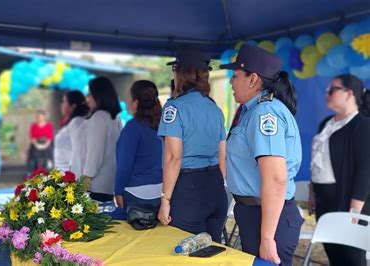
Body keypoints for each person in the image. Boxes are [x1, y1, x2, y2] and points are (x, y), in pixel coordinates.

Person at [220, 44, 303, 265]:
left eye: (235, 76)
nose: (230, 82)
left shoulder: (265, 113)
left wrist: (267, 238)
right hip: (255, 213)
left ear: (253, 79)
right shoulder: (252, 111)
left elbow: (276, 178)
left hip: (268, 218)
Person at [157, 47, 228, 243]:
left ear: (181, 73)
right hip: (215, 187)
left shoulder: (174, 107)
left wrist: (165, 199)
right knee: (211, 254)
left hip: (188, 190)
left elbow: (174, 157)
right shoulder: (214, 108)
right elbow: (223, 155)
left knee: (186, 256)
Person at [308, 74, 370, 266]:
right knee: (333, 254)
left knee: (351, 257)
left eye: (333, 89)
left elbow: (365, 169)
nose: (328, 93)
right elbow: (318, 162)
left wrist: (354, 211)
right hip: (324, 200)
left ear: (349, 94)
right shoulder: (326, 122)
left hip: (348, 202)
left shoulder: (363, 125)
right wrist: (312, 193)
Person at [115, 80, 163, 209]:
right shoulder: (164, 125)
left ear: (136, 102)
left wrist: (118, 191)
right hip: (163, 192)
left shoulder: (133, 127)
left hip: (137, 193)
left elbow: (124, 164)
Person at [74, 77, 122, 202]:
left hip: (94, 185)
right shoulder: (115, 117)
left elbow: (95, 152)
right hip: (108, 183)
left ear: (99, 95)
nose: (87, 98)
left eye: (90, 94)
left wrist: (86, 180)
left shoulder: (98, 118)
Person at [54, 91, 89, 172]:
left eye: (64, 102)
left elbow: (79, 151)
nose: (61, 105)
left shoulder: (77, 123)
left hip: (69, 172)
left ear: (73, 105)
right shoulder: (72, 122)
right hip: (62, 170)